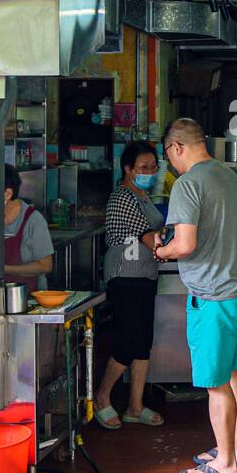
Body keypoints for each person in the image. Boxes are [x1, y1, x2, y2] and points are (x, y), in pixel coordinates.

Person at [153, 117, 237, 473]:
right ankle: (236, 448)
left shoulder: (187, 184)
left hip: (216, 296)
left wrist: (162, 251)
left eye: (168, 155)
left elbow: (185, 244)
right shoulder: (226, 174)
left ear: (176, 147)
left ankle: (225, 464)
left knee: (216, 384)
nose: (170, 163)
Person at [93, 141, 165, 430]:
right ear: (127, 168)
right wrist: (171, 247)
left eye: (153, 167)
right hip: (125, 277)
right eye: (143, 167)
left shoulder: (143, 195)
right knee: (128, 341)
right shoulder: (122, 197)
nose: (149, 171)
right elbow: (149, 237)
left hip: (145, 275)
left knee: (143, 343)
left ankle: (135, 406)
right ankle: (101, 397)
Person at [3, 164, 54, 288]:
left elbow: (45, 265)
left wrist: (5, 269)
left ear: (8, 194)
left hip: (30, 296)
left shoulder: (33, 220)